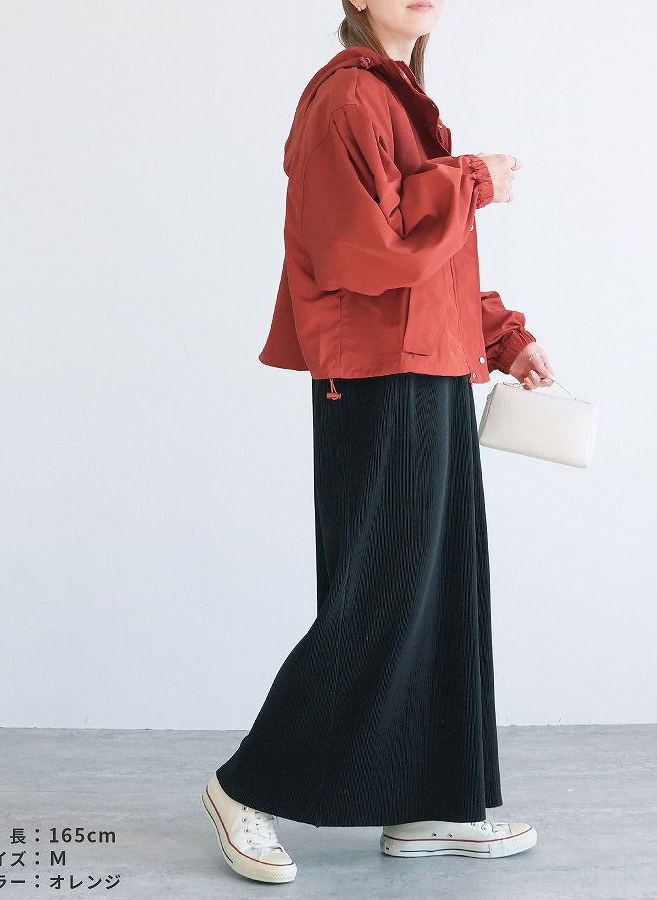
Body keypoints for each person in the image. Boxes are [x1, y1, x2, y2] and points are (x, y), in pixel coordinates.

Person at [202, 0, 554, 885]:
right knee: (383, 595)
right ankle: (244, 787)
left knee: (439, 592)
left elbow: (433, 262)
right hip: (378, 375)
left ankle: (429, 805)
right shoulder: (347, 98)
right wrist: (472, 180)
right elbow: (360, 249)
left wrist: (502, 337)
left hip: (428, 369)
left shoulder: (396, 96)